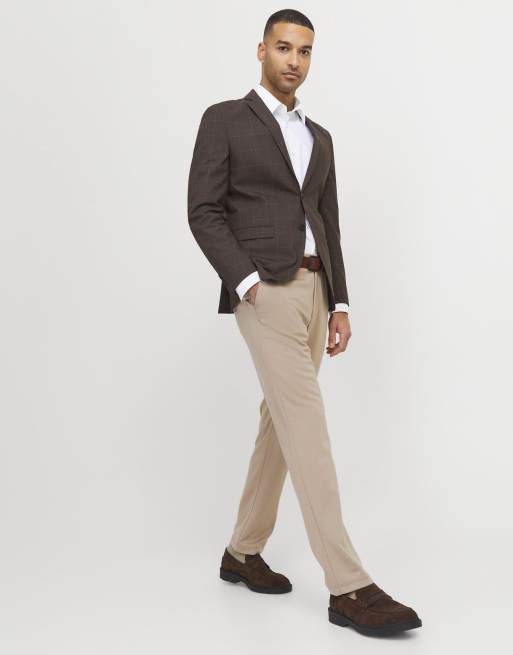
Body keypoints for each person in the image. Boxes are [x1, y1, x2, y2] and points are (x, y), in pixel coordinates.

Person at [187, 8, 422, 637]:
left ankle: (242, 552)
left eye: (305, 51)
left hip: (317, 291)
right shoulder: (225, 119)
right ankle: (349, 586)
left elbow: (328, 220)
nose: (294, 60)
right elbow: (203, 210)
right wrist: (247, 284)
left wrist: (340, 302)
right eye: (284, 47)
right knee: (308, 428)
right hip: (266, 291)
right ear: (261, 50)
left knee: (280, 423)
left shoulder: (320, 136)